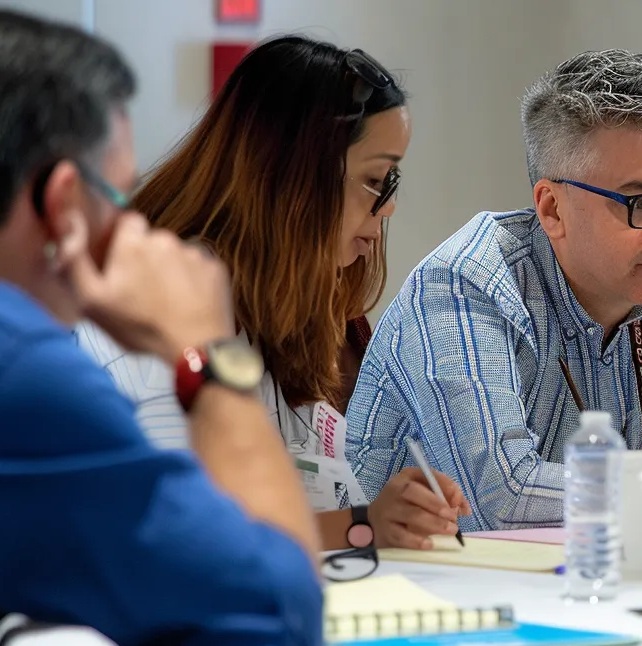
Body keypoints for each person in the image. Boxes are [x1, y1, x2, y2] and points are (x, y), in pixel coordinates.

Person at [0, 5, 321, 646]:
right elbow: (270, 624)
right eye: (120, 200)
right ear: (62, 204)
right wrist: (206, 351)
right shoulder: (2, 363)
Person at [347, 49, 642, 529]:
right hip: (411, 589)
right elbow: (501, 497)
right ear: (552, 209)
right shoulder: (463, 284)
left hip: (591, 583)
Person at [75, 35, 466, 551]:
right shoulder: (164, 314)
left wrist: (373, 520)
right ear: (298, 174)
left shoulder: (273, 312)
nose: (387, 208)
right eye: (377, 180)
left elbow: (281, 509)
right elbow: (188, 538)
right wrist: (363, 524)